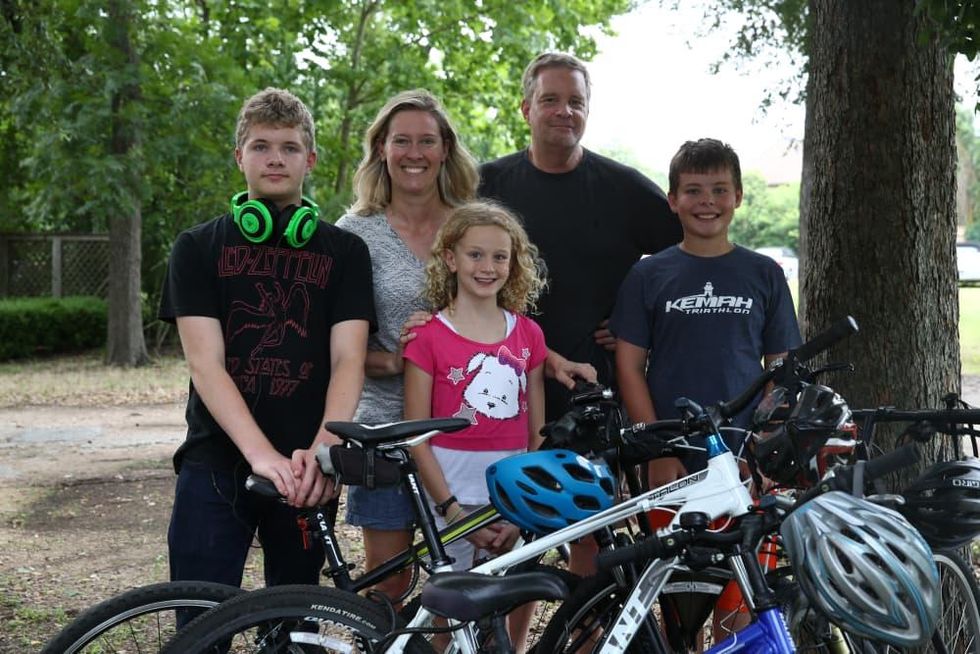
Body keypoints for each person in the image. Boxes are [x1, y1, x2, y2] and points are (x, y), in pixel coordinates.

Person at [159, 88, 376, 598]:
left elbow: (349, 359)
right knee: (201, 625)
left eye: (289, 147)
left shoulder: (345, 252)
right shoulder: (197, 247)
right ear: (239, 157)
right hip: (214, 464)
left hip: (307, 469)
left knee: (293, 627)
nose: (275, 158)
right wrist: (262, 456)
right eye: (260, 146)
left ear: (311, 159)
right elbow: (205, 364)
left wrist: (324, 451)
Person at [610, 138, 801, 637]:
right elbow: (629, 366)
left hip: (741, 461)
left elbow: (781, 372)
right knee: (680, 604)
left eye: (719, 189)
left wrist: (762, 452)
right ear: (672, 200)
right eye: (693, 190)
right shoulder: (649, 274)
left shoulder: (764, 273)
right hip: (674, 461)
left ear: (738, 196)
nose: (707, 201)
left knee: (738, 604)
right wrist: (656, 448)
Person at [479, 51, 683, 423]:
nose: (565, 111)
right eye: (550, 100)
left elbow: (690, 258)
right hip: (496, 382)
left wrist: (641, 324)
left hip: (591, 389)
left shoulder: (626, 190)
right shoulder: (486, 186)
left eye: (576, 102)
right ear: (526, 109)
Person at [334, 88, 480, 603]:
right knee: (389, 579)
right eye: (401, 141)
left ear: (445, 149)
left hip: (468, 427)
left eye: (426, 140)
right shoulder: (354, 235)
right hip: (387, 431)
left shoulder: (474, 225)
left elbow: (511, 320)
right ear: (381, 149)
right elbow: (335, 348)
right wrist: (397, 359)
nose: (414, 153)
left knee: (467, 582)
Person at [403, 200, 546, 652]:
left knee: (511, 613)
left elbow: (536, 433)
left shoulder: (528, 335)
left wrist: (518, 510)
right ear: (450, 258)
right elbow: (415, 435)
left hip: (511, 502)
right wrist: (453, 512)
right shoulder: (427, 336)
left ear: (514, 263)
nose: (488, 267)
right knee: (448, 620)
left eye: (500, 256)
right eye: (475, 254)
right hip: (450, 502)